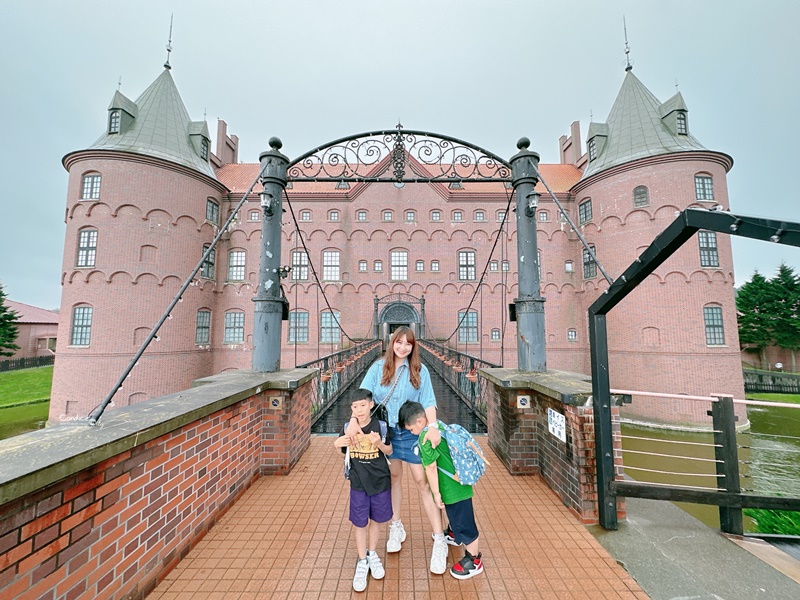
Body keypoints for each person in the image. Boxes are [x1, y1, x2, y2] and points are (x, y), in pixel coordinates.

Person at [346, 326, 452, 574]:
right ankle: (397, 525)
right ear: (392, 342)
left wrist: (433, 427)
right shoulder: (378, 368)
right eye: (399, 342)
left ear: (413, 346)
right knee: (394, 478)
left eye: (408, 343)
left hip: (411, 432)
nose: (403, 347)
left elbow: (428, 401)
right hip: (387, 432)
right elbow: (362, 397)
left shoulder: (419, 370)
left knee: (422, 481)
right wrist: (353, 420)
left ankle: (439, 538)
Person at [399, 400, 484, 580]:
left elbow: (430, 467)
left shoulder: (425, 438)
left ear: (420, 422)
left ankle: (474, 560)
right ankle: (453, 533)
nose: (411, 433)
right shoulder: (437, 426)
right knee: (457, 516)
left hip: (453, 489)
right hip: (458, 482)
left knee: (465, 522)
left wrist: (436, 494)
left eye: (411, 429)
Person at [334, 388, 394, 592]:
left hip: (380, 481)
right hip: (358, 483)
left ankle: (372, 553)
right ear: (351, 409)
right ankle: (362, 561)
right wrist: (336, 444)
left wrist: (379, 444)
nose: (359, 410)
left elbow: (389, 451)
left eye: (362, 405)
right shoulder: (348, 428)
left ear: (371, 405)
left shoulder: (381, 426)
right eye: (354, 406)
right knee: (360, 523)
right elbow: (343, 451)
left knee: (376, 520)